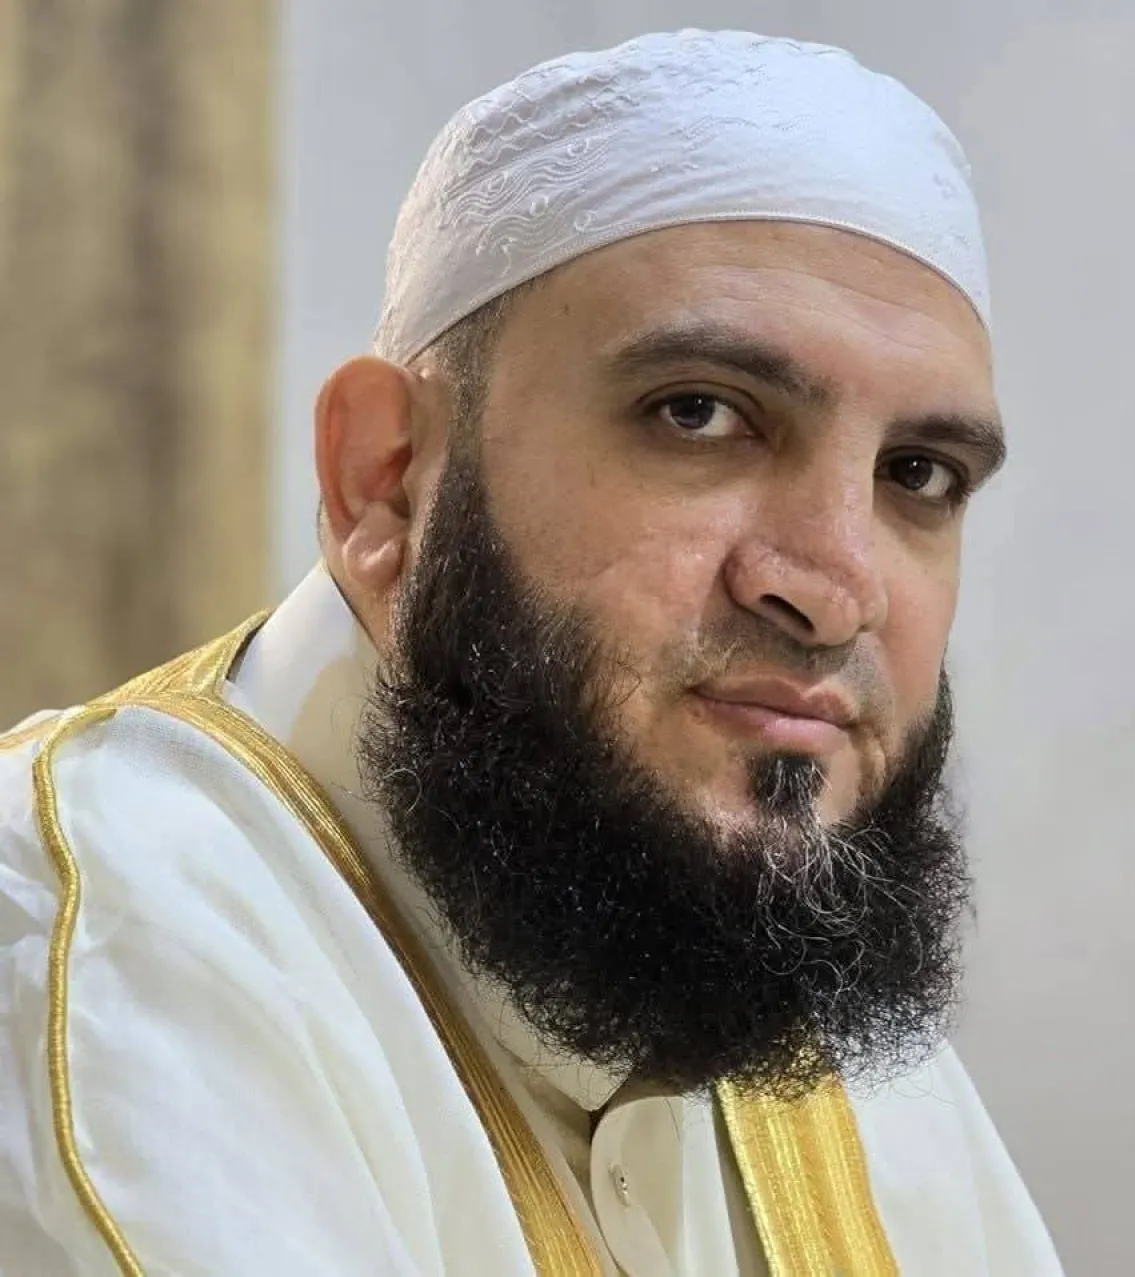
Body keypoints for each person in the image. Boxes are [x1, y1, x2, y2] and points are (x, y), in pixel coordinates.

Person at [0, 29, 1065, 1276]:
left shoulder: (766, 940)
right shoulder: (101, 933)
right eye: (698, 413)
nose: (831, 590)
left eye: (917, 474)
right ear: (385, 477)